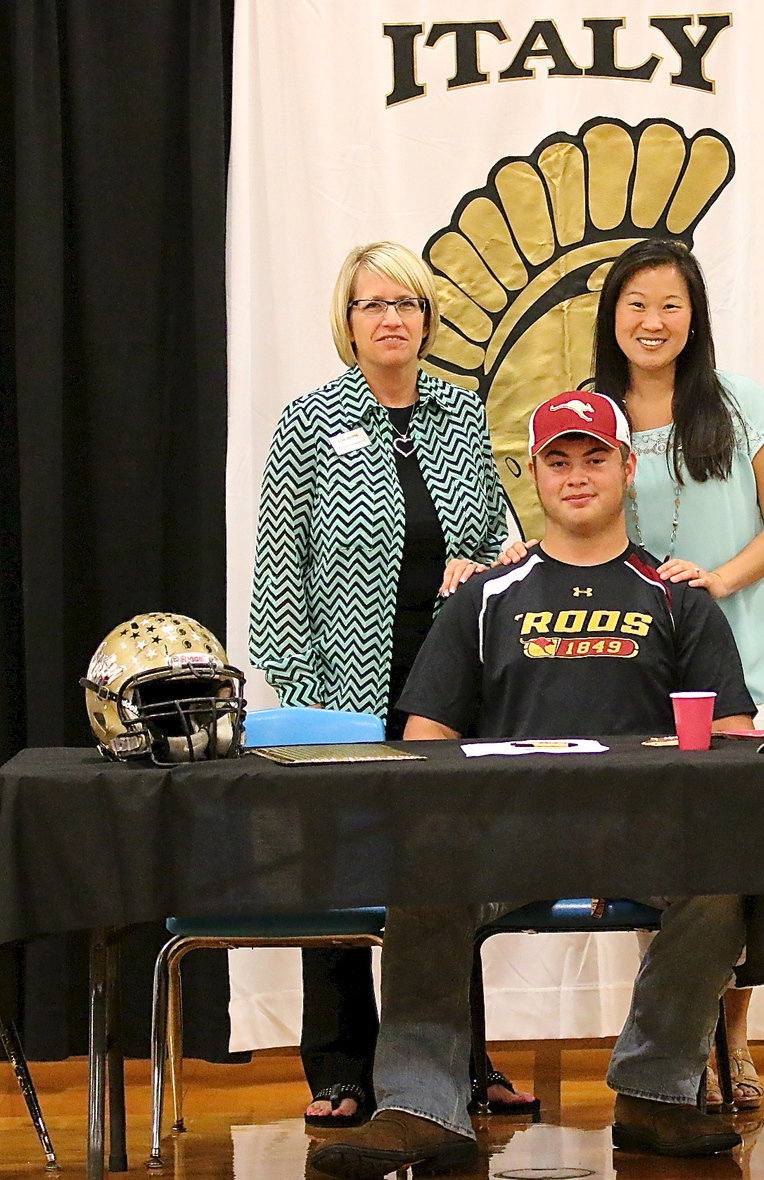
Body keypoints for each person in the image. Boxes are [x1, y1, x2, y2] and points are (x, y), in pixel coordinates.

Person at [309, 391, 757, 1180]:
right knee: (423, 866)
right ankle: (419, 1105)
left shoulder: (679, 597)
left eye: (594, 459)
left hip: (644, 837)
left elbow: (730, 739)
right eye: (558, 460)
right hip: (505, 839)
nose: (576, 476)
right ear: (535, 476)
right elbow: (426, 744)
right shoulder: (484, 597)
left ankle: (654, 1093)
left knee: (724, 875)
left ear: (626, 468)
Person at [249, 240, 533, 1125]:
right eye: (374, 305)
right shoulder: (308, 422)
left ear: (427, 318)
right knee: (337, 879)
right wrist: (308, 701)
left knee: (448, 876)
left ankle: (461, 1060)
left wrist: (479, 566)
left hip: (447, 695)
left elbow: (504, 545)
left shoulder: (459, 413)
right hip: (337, 693)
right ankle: (340, 1069)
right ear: (348, 320)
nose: (392, 319)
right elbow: (277, 580)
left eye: (407, 304)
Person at [596, 237, 764, 1108]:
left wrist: (719, 580)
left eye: (671, 304)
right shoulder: (591, 414)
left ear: (696, 317)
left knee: (738, 858)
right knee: (659, 867)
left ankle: (735, 1036)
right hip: (634, 682)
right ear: (613, 315)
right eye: (637, 303)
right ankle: (676, 1042)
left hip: (742, 672)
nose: (654, 321)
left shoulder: (742, 403)